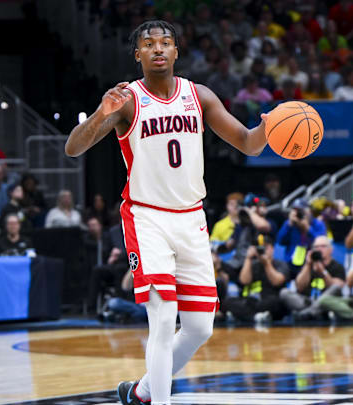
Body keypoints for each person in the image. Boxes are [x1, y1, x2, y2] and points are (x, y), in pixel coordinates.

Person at [64, 21, 271, 405]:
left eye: (165, 43)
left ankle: (142, 391)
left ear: (176, 52)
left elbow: (248, 143)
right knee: (162, 318)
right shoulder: (126, 99)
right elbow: (73, 149)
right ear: (137, 55)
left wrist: (271, 128)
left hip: (191, 218)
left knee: (199, 328)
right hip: (147, 217)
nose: (157, 48)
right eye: (148, 44)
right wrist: (99, 114)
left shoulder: (199, 95)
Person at [220, 236, 289, 323]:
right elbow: (244, 281)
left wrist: (267, 263)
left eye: (265, 247)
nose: (262, 250)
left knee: (276, 302)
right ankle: (256, 317)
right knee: (228, 302)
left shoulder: (280, 264)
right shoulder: (253, 264)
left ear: (272, 249)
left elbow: (277, 282)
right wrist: (248, 258)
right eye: (259, 248)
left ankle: (244, 316)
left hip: (269, 301)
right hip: (251, 301)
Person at [280, 236, 345, 320]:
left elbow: (337, 288)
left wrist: (322, 272)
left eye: (323, 246)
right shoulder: (307, 265)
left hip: (326, 303)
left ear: (331, 250)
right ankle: (312, 311)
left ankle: (309, 312)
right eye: (316, 247)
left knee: (334, 289)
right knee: (284, 293)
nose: (319, 249)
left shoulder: (337, 266)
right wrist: (307, 265)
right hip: (307, 302)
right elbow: (299, 287)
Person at [276, 198, 327, 275]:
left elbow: (321, 243)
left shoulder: (318, 224)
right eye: (295, 210)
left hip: (311, 262)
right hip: (291, 262)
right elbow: (280, 241)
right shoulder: (290, 224)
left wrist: (308, 228)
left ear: (309, 211)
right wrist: (289, 225)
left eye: (300, 210)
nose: (298, 213)